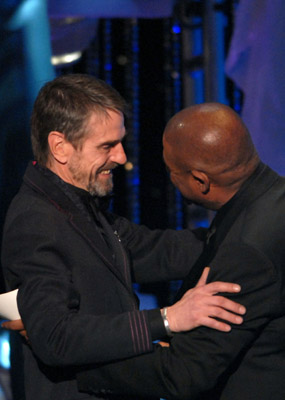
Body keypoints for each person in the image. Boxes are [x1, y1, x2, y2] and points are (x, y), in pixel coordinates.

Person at [1, 76, 245, 400]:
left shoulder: (79, 207)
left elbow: (158, 251)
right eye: (106, 146)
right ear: (60, 146)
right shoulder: (36, 221)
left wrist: (249, 229)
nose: (120, 156)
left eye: (119, 142)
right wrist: (169, 319)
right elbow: (56, 338)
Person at [76, 103, 285, 400]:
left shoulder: (245, 252)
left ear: (201, 181)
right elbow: (162, 250)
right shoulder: (272, 201)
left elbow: (183, 373)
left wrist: (78, 366)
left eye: (172, 171)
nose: (170, 179)